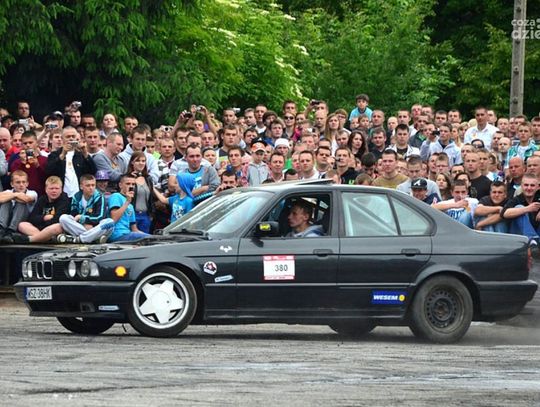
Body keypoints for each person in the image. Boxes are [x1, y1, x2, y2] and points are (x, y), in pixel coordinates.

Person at [57, 174, 114, 243]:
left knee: (110, 222)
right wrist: (83, 223)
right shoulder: (76, 197)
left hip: (96, 227)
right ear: (81, 186)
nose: (91, 188)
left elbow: (100, 217)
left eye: (93, 185)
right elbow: (74, 216)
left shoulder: (100, 197)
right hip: (82, 227)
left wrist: (83, 218)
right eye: (88, 185)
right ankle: (93, 238)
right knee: (63, 218)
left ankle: (78, 239)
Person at [14, 176, 70, 243]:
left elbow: (57, 220)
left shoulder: (64, 200)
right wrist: (44, 217)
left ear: (61, 190)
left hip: (53, 228)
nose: (54, 191)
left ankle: (30, 239)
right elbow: (31, 218)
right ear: (46, 189)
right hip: (40, 228)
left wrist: (41, 222)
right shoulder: (42, 199)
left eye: (57, 188)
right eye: (51, 188)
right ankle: (46, 239)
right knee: (22, 224)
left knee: (58, 226)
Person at [45, 126, 96, 198]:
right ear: (62, 138)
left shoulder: (81, 155)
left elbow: (93, 171)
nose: (71, 138)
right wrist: (62, 155)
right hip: (61, 196)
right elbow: (49, 171)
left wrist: (85, 154)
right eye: (68, 136)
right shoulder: (54, 155)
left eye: (73, 136)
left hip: (79, 195)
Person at [108, 174, 150, 242]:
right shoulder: (116, 196)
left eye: (133, 184)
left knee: (152, 239)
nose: (131, 186)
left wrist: (150, 236)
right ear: (120, 185)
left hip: (128, 234)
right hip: (117, 235)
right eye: (128, 184)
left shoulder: (130, 205)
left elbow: (134, 229)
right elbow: (114, 219)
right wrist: (127, 202)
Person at [0, 171, 37, 243]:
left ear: (27, 183)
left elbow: (26, 199)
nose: (21, 185)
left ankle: (11, 231)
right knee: (6, 202)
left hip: (23, 222)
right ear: (12, 184)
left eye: (23, 182)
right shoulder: (8, 191)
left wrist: (10, 196)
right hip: (7, 219)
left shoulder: (32, 193)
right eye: (18, 182)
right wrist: (16, 195)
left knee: (21, 203)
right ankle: (1, 229)